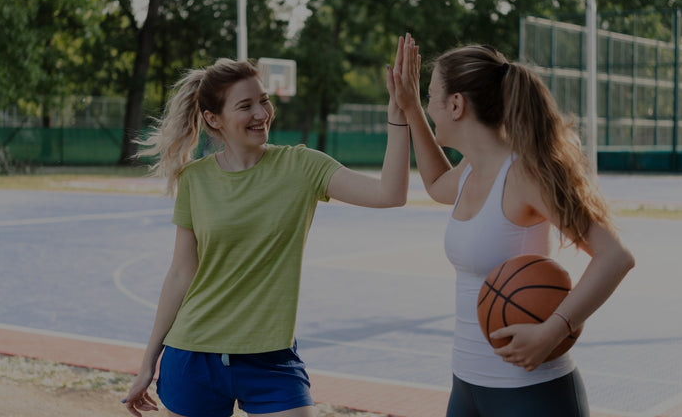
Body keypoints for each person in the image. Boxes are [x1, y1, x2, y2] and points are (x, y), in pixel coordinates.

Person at [121, 36, 413, 417]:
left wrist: (399, 113)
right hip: (194, 356)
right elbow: (180, 273)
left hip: (271, 360)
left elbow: (390, 193)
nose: (262, 113)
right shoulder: (194, 179)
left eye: (264, 100)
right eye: (246, 105)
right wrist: (148, 363)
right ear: (214, 119)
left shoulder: (302, 166)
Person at [390, 34, 635, 416]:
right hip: (467, 384)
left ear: (456, 105)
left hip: (530, 391)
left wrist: (552, 331)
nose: (429, 105)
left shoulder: (525, 175)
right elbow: (437, 184)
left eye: (430, 96)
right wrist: (410, 110)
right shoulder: (470, 169)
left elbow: (615, 257)